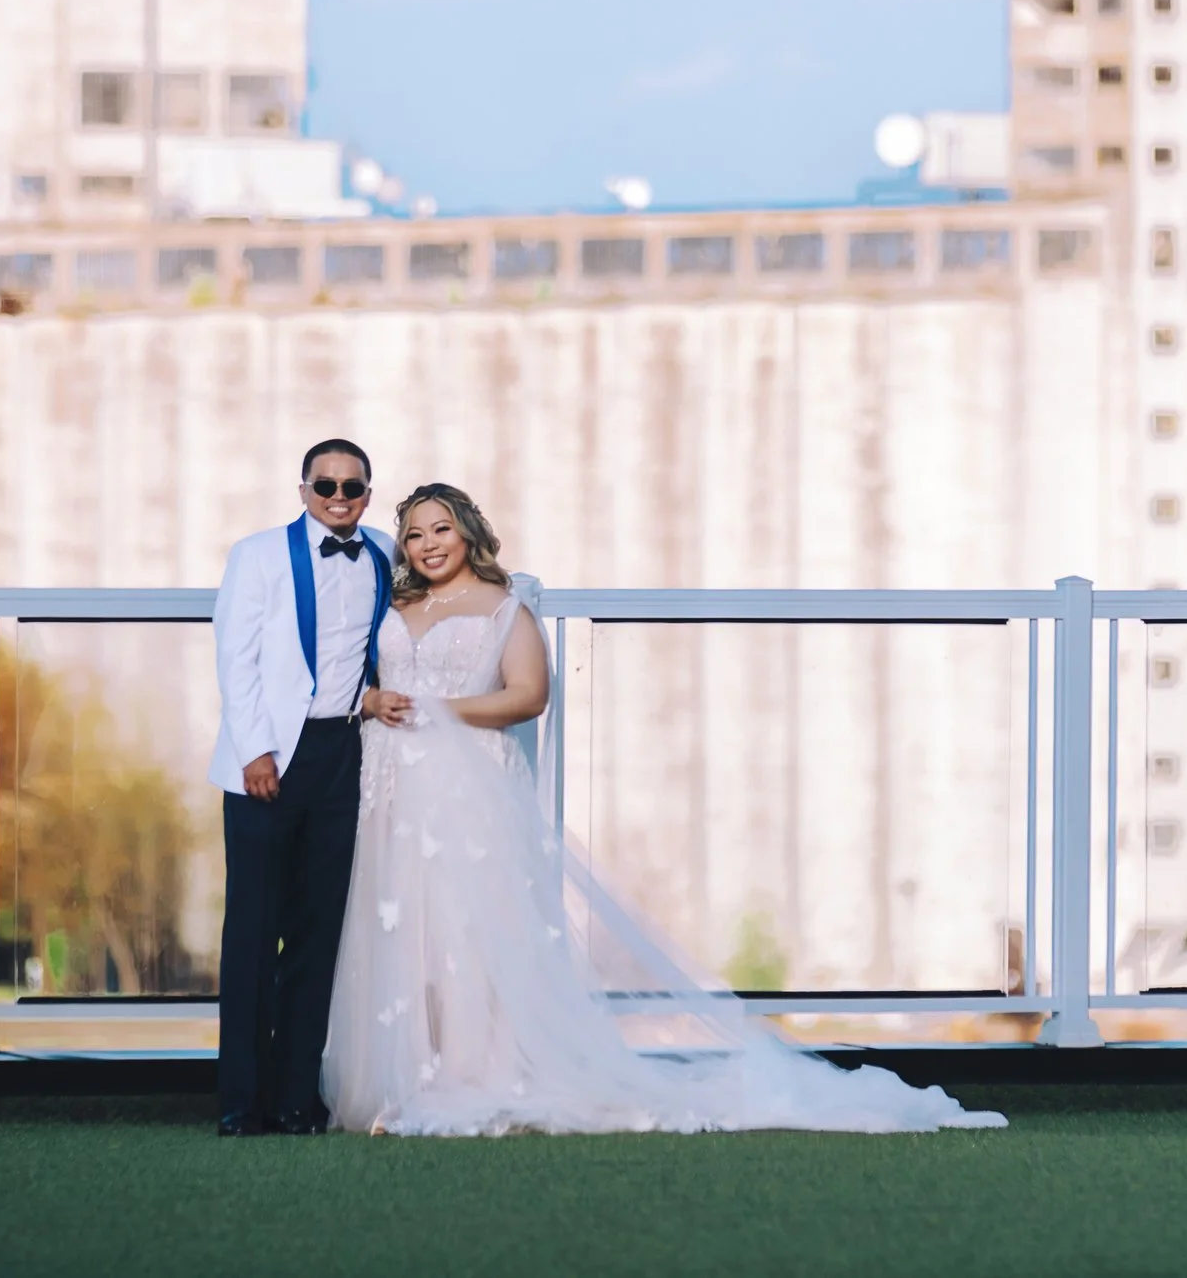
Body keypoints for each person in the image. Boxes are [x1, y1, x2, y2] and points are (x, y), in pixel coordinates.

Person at [322, 482, 1004, 1136]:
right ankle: (404, 1077)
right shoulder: (394, 608)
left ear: (468, 532)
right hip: (391, 788)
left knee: (467, 933)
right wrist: (373, 702)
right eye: (413, 534)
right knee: (402, 929)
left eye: (441, 528)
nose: (427, 543)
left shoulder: (504, 609)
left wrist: (441, 711)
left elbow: (529, 695)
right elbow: (362, 680)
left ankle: (467, 1076)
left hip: (467, 788)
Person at [206, 438, 394, 1137]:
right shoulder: (255, 554)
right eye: (326, 486)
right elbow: (237, 656)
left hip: (344, 752)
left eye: (352, 487)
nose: (338, 498)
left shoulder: (381, 551)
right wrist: (256, 750)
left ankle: (296, 1098)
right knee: (252, 933)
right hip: (268, 761)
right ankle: (240, 1101)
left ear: (368, 494)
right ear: (304, 489)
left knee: (320, 933)